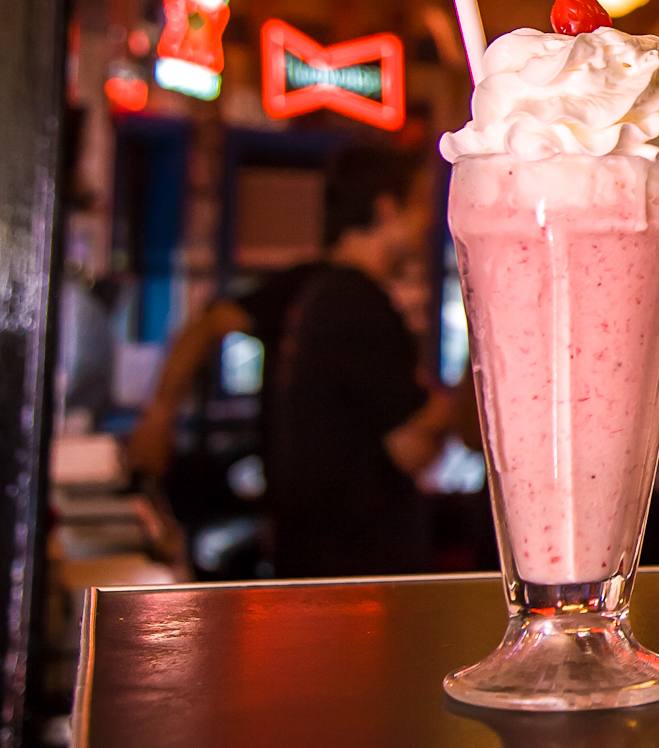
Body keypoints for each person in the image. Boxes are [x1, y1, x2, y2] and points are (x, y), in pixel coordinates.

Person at [130, 145, 457, 576]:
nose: (428, 220)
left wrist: (159, 414)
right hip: (360, 571)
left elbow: (205, 327)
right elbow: (410, 451)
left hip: (295, 551)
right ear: (386, 209)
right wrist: (457, 401)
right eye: (419, 202)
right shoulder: (363, 304)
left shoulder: (301, 284)